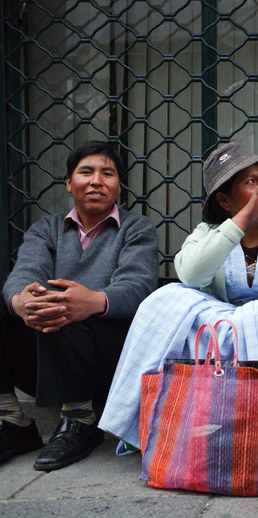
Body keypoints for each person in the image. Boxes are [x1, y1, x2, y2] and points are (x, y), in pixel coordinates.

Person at [98, 142, 258, 452]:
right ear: (224, 200)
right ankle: (153, 423)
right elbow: (191, 275)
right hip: (222, 338)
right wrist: (241, 221)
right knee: (165, 297)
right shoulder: (209, 230)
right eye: (252, 181)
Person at [1, 141, 159, 470]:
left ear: (118, 185)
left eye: (108, 173)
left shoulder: (136, 229)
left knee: (64, 302)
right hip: (46, 357)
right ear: (70, 183)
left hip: (104, 361)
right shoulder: (45, 229)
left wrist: (92, 301)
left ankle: (80, 420)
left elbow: (138, 287)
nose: (96, 181)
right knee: (40, 299)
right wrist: (23, 302)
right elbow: (24, 275)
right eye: (85, 172)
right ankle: (12, 420)